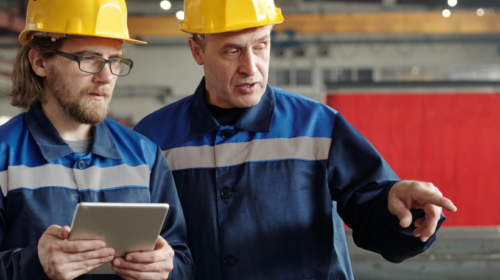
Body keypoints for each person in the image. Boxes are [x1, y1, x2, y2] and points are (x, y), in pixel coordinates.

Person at [134, 0, 457, 279]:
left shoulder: (319, 127)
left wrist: (398, 209)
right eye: (232, 51)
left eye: (260, 45)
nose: (251, 67)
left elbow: (373, 209)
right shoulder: (153, 140)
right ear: (197, 50)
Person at [0, 0, 195, 279]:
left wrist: (168, 269)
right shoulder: (3, 157)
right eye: (88, 59)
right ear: (40, 62)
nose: (106, 77)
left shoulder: (145, 157)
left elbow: (183, 262)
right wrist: (34, 264)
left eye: (114, 61)